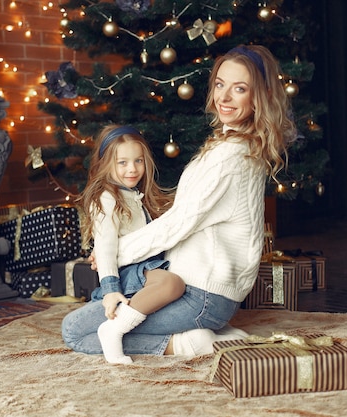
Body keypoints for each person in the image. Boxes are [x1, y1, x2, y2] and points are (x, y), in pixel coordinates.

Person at [62, 44, 295, 358]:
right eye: (220, 84)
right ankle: (212, 333)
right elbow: (188, 218)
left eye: (239, 89)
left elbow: (180, 222)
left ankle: (186, 343)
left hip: (201, 296)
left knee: (75, 331)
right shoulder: (233, 146)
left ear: (260, 97)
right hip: (207, 292)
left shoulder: (229, 156)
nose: (224, 98)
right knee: (104, 307)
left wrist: (118, 253)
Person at [77, 124, 185, 364]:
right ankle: (112, 330)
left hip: (148, 268)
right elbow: (105, 247)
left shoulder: (136, 193)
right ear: (106, 163)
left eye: (138, 161)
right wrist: (110, 289)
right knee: (171, 283)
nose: (132, 169)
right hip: (129, 274)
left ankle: (190, 339)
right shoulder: (106, 198)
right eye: (122, 163)